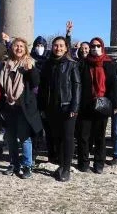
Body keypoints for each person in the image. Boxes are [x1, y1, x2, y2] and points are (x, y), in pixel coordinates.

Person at [0, 37, 42, 179]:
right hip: (8, 106)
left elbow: (36, 83)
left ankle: (27, 165)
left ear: (25, 49)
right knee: (10, 138)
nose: (18, 49)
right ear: (12, 48)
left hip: (24, 107)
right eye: (16, 46)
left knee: (24, 138)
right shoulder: (5, 64)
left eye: (21, 47)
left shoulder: (29, 63)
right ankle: (14, 164)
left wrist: (31, 70)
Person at [38, 36, 80, 182]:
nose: (58, 48)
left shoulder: (72, 64)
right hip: (51, 107)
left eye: (61, 45)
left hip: (67, 106)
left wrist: (74, 106)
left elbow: (77, 86)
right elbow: (43, 88)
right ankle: (60, 165)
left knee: (67, 138)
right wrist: (41, 107)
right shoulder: (47, 64)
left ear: (66, 48)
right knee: (57, 137)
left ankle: (66, 168)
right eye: (56, 45)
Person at [76, 37, 115, 173]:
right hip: (85, 105)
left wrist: (112, 104)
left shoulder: (109, 63)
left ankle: (99, 163)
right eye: (93, 46)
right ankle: (84, 162)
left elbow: (113, 85)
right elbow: (78, 84)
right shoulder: (83, 63)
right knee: (84, 136)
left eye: (98, 46)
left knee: (100, 137)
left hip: (102, 105)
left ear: (102, 47)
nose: (95, 48)